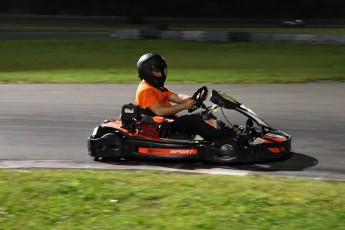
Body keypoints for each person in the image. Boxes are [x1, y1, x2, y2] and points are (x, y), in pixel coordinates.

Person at [135, 53, 227, 140]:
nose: (161, 74)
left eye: (162, 71)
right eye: (157, 72)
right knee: (193, 120)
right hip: (160, 127)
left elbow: (178, 97)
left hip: (167, 122)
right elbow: (159, 111)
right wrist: (184, 106)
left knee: (205, 115)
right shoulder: (146, 90)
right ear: (147, 72)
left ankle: (227, 134)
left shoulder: (156, 87)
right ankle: (225, 140)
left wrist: (195, 97)